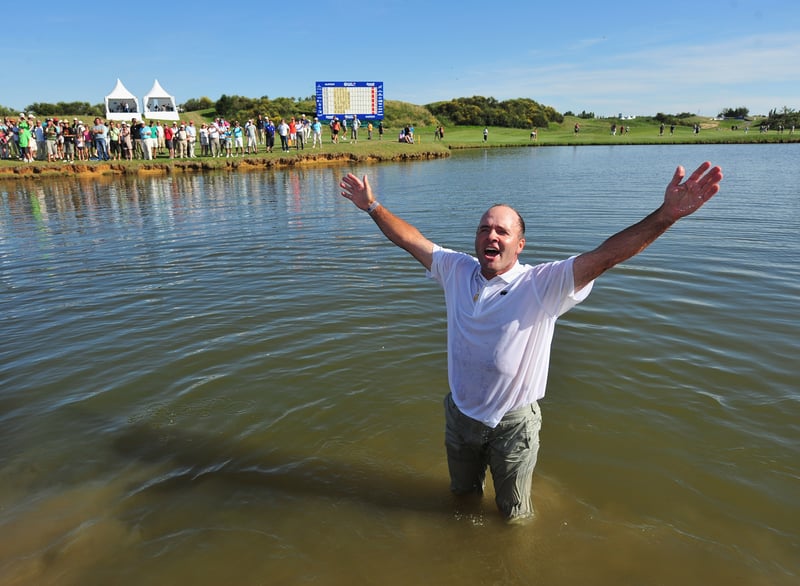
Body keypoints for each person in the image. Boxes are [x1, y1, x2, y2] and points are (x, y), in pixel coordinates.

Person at [338, 161, 723, 522]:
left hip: (513, 423)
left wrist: (666, 216)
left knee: (513, 516)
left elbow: (606, 256)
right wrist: (371, 205)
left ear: (519, 245)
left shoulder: (542, 283)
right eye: (485, 229)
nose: (491, 235)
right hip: (460, 416)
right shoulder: (456, 270)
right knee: (461, 497)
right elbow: (411, 240)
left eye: (502, 231)